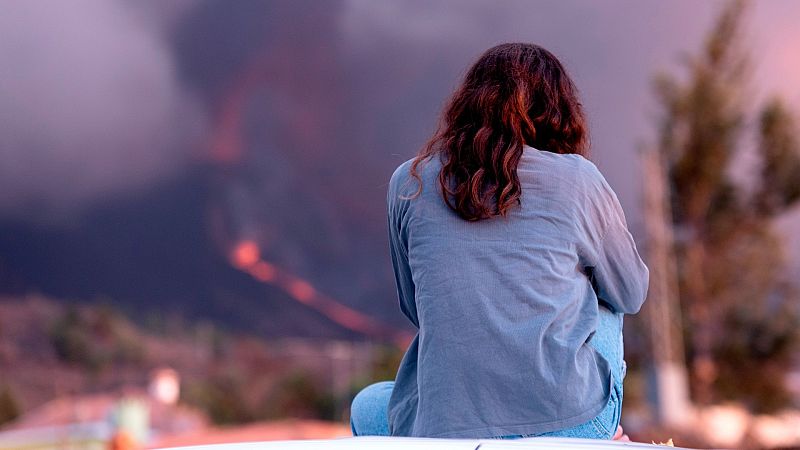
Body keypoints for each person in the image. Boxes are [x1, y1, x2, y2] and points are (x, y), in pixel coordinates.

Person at [351, 42, 649, 440]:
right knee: (604, 294)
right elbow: (630, 293)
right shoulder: (580, 180)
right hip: (570, 427)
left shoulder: (408, 181)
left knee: (367, 405)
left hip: (442, 433)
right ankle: (600, 430)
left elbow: (416, 306)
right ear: (558, 113)